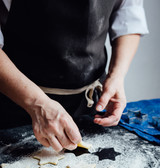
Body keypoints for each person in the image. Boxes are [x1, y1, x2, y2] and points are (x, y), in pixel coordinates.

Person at [0, 0, 148, 152]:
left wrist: (117, 75)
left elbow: (128, 16)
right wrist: (37, 104)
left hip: (91, 103)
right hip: (18, 104)